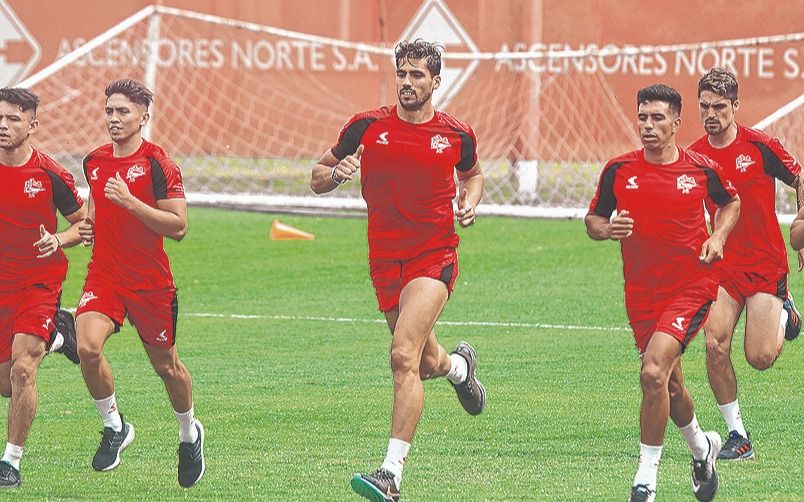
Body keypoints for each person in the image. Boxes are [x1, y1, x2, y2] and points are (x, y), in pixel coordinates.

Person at [310, 39, 485, 502]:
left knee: (402, 356)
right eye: (402, 74)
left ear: (436, 81)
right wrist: (336, 174)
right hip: (385, 260)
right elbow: (317, 176)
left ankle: (390, 475)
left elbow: (473, 174)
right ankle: (459, 368)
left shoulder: (456, 134)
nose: (407, 82)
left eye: (417, 75)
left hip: (434, 256)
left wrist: (469, 201)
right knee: (425, 363)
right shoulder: (366, 127)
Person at [586, 84, 740, 502]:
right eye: (642, 117)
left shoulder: (701, 169)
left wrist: (718, 236)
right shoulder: (619, 170)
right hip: (641, 295)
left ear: (676, 122)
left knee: (652, 372)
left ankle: (645, 480)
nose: (648, 126)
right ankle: (702, 448)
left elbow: (730, 202)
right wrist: (608, 229)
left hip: (692, 285)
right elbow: (593, 220)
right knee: (669, 387)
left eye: (657, 118)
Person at [75, 79, 204, 488]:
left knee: (167, 368)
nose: (113, 119)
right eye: (109, 111)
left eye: (123, 111)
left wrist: (130, 201)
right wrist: (87, 228)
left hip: (150, 284)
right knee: (86, 347)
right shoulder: (94, 161)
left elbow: (179, 226)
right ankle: (115, 426)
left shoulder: (158, 164)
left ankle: (188, 433)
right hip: (105, 276)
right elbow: (95, 211)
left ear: (143, 116)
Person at [689, 67, 802, 461]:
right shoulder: (694, 157)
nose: (711, 114)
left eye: (719, 107)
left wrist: (801, 224)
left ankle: (786, 314)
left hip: (766, 266)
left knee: (760, 358)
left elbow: (800, 178)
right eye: (705, 106)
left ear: (736, 106)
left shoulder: (760, 146)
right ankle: (738, 436)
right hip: (724, 269)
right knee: (714, 343)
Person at [0, 87, 86, 487]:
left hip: (38, 283)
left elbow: (84, 224)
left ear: (32, 125)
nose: (3, 125)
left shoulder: (50, 174)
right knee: (6, 385)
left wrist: (59, 239)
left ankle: (11, 463)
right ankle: (58, 334)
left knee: (22, 370)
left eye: (13, 119)